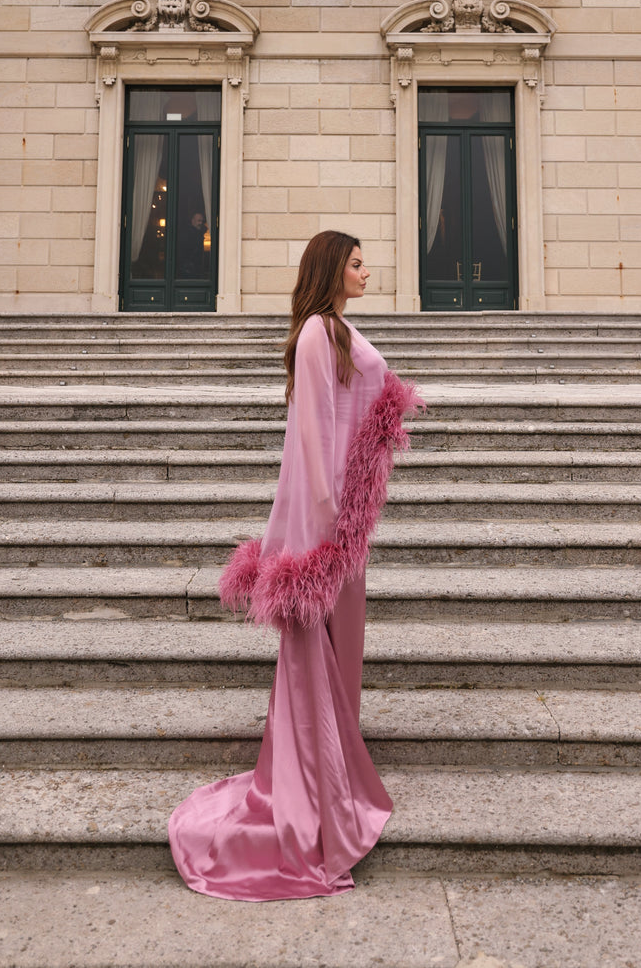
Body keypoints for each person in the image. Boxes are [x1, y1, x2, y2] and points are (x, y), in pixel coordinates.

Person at [169, 230, 422, 900]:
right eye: (358, 262)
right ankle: (319, 797)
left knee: (346, 658)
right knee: (320, 658)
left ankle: (329, 780)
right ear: (332, 268)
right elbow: (308, 436)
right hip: (327, 533)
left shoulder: (337, 328)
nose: (368, 270)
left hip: (347, 532)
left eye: (366, 262)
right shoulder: (316, 331)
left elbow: (360, 409)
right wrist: (327, 519)